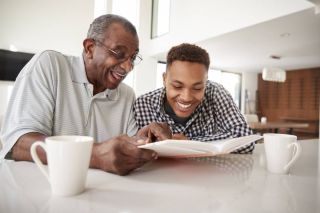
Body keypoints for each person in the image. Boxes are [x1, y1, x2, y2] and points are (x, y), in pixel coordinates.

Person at [0, 14, 171, 175]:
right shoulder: (50, 66)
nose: (128, 67)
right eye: (119, 54)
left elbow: (129, 146)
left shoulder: (126, 95)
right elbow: (19, 144)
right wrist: (95, 155)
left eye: (132, 58)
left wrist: (144, 140)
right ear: (89, 48)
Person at [134, 43, 254, 153]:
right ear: (165, 79)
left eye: (197, 88)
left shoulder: (215, 92)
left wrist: (191, 143)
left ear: (205, 83)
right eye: (177, 86)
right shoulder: (144, 104)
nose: (186, 98)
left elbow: (246, 140)